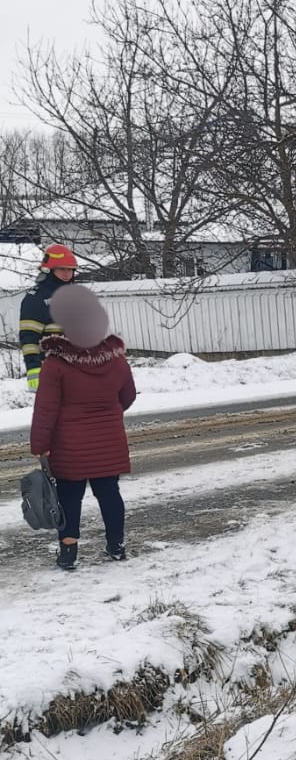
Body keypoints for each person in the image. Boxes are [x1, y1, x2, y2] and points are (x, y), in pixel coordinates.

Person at [29, 282, 136, 570]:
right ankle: (116, 547)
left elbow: (46, 410)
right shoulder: (117, 360)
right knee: (109, 494)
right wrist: (108, 415)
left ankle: (68, 554)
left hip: (69, 446)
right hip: (109, 441)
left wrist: (40, 445)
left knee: (68, 498)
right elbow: (128, 396)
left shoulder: (56, 364)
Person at [18, 243, 76, 391]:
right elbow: (29, 337)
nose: (66, 273)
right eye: (61, 269)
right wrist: (33, 369)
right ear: (49, 270)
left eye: (70, 269)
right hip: (51, 372)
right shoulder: (36, 299)